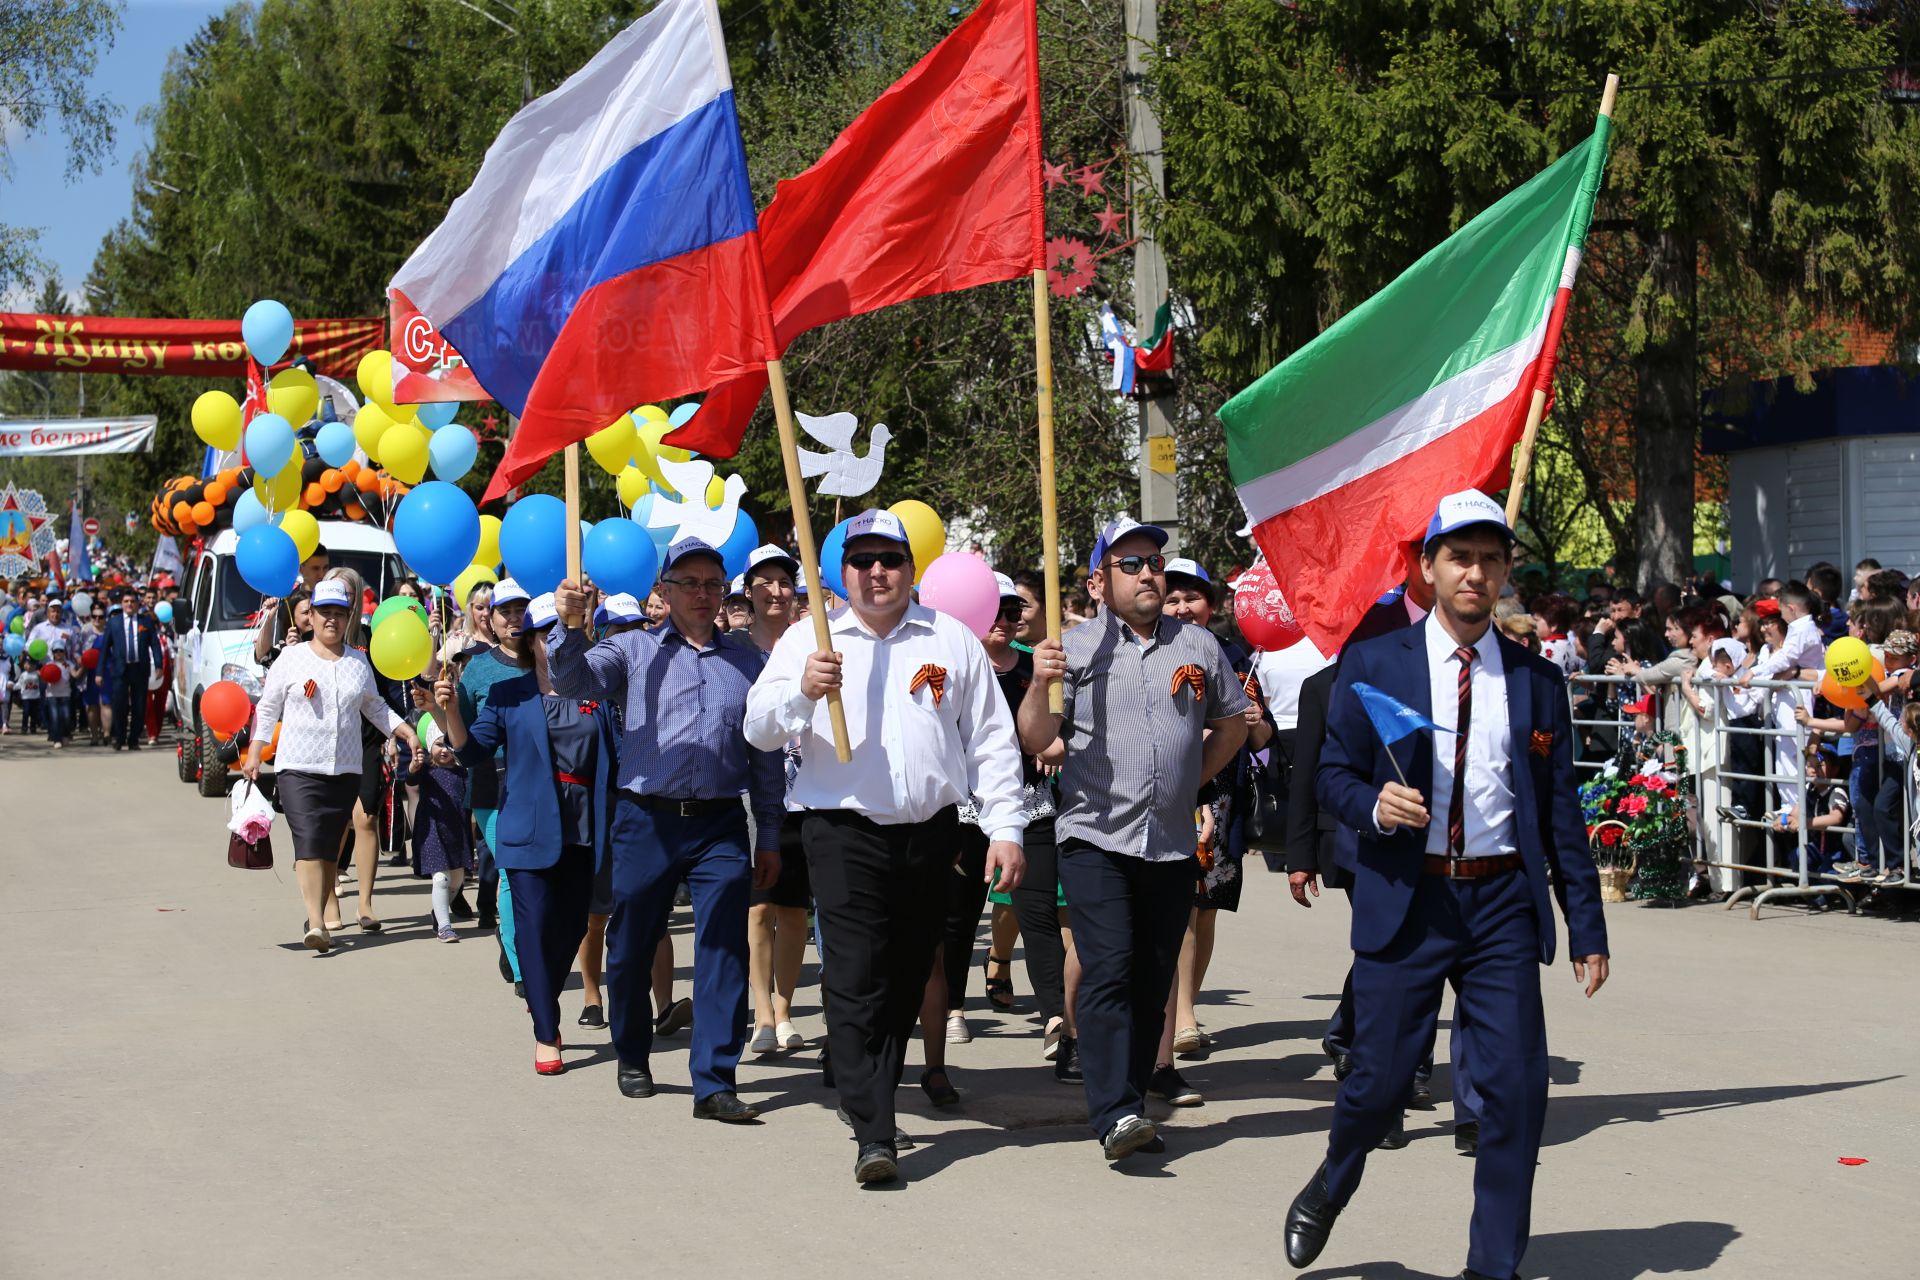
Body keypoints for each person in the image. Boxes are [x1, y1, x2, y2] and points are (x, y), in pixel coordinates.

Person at [1282, 490, 1609, 1280]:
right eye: (1459, 557)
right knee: (1380, 1083)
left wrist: (1587, 927)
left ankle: (1492, 1265)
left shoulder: (1534, 680)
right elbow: (1329, 772)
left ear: (1503, 573)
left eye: (1491, 559)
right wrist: (1372, 804)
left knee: (1518, 1090)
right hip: (1410, 895)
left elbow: (1560, 810)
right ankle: (1335, 1176)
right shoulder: (1376, 663)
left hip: (1499, 902)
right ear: (1427, 569)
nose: (1476, 573)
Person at [746, 509, 1026, 1185]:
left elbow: (989, 737)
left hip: (932, 832)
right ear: (842, 573)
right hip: (841, 832)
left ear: (911, 569)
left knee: (907, 976)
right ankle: (874, 1130)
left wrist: (1007, 827)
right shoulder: (808, 641)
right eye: (863, 560)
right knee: (853, 974)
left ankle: (864, 1077)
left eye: (891, 560)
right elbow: (756, 726)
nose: (878, 572)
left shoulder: (950, 640)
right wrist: (803, 695)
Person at [1019, 517, 1249, 1163]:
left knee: (1152, 979)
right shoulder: (1075, 645)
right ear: (1101, 581)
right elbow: (1036, 739)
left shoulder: (1198, 646)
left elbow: (1231, 725)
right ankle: (1114, 1111)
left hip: (1170, 842)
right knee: (1111, 965)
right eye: (1131, 563)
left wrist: (1189, 784)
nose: (1148, 572)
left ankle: (1130, 1101)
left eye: (1154, 561)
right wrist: (1040, 680)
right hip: (1094, 835)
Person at [549, 537, 784, 1124]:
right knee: (630, 944)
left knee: (723, 948)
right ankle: (632, 1052)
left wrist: (771, 835)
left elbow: (765, 757)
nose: (703, 594)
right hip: (645, 820)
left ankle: (714, 1079)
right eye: (690, 583)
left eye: (713, 583)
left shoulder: (748, 662)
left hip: (721, 826)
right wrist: (569, 623)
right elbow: (574, 680)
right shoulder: (629, 650)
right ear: (665, 591)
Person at [438, 593, 620, 1072]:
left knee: (573, 927)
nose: (552, 643)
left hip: (584, 826)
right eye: (543, 635)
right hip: (526, 827)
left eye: (560, 633)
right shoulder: (507, 695)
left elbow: (617, 758)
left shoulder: (595, 697)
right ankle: (546, 1029)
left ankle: (541, 993)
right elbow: (472, 753)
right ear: (531, 643)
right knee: (535, 930)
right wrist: (449, 714)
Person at [244, 577, 417, 953]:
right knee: (308, 841)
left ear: (348, 616)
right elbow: (268, 706)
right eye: (325, 613)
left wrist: (406, 732)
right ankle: (318, 922)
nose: (331, 621)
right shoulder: (292, 658)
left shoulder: (358, 661)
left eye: (339, 614)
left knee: (327, 848)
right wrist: (256, 750)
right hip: (298, 767)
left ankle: (318, 915)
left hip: (344, 771)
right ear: (313, 616)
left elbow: (374, 706)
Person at [1162, 556, 1273, 1083]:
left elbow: (1264, 738)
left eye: (1193, 598)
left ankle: (1188, 1003)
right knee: (1179, 906)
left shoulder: (1239, 658)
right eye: (1173, 598)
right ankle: (1180, 1017)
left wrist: (1252, 723)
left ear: (1213, 603)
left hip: (1224, 797)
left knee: (1204, 911)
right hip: (1172, 794)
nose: (1184, 608)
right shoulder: (1151, 652)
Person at [739, 544, 812, 1056]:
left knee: (794, 912)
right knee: (758, 908)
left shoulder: (814, 644)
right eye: (764, 582)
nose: (776, 591)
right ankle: (761, 1013)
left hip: (806, 796)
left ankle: (785, 1012)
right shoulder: (732, 651)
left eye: (784, 582)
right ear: (747, 592)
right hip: (749, 796)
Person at [463, 579, 531, 960]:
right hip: (493, 781)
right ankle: (522, 965)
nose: (514, 619)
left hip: (540, 779)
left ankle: (516, 937)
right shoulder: (478, 668)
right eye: (506, 612)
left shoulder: (545, 660)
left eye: (521, 610)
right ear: (491, 618)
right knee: (509, 872)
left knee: (536, 875)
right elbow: (466, 730)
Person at [408, 716, 474, 942]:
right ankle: (445, 927)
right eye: (438, 744)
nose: (444, 750)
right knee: (441, 879)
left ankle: (439, 911)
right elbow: (410, 780)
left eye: (448, 744)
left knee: (456, 882)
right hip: (432, 830)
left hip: (457, 832)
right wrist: (414, 767)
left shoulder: (463, 772)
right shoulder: (426, 771)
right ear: (429, 746)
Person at [104, 591, 162, 751]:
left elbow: (155, 644)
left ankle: (133, 739)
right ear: (122, 604)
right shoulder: (114, 622)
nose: (129, 604)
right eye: (126, 601)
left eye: (132, 601)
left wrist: (158, 665)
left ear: (137, 604)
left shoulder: (146, 621)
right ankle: (120, 738)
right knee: (119, 705)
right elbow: (105, 648)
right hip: (120, 670)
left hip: (139, 669)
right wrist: (99, 672)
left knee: (139, 706)